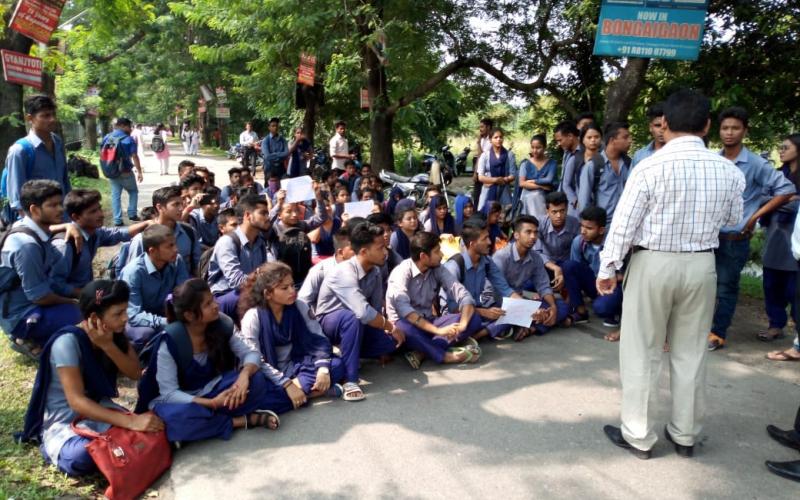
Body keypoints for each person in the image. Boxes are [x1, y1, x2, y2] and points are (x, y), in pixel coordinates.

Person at [598, 89, 745, 460]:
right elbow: (732, 221)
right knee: (691, 352)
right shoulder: (727, 170)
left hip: (653, 263)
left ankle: (639, 435)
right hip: (701, 265)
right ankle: (685, 434)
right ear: (708, 125)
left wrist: (609, 267)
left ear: (666, 125)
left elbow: (623, 226)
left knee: (641, 351)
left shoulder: (648, 166)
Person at [20, 280, 163, 477]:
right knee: (82, 456)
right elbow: (77, 402)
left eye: (125, 311)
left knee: (154, 427)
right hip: (66, 422)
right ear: (95, 317)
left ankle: (114, 450)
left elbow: (135, 373)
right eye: (118, 313)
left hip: (101, 410)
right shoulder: (66, 343)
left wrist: (108, 346)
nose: (125, 318)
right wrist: (129, 422)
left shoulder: (112, 334)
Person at [136, 279, 292, 444]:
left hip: (216, 390)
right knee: (176, 418)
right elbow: (169, 393)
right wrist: (210, 403)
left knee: (257, 379)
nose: (216, 305)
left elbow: (251, 353)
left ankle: (206, 424)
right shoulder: (170, 341)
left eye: (213, 300)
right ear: (189, 315)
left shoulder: (222, 323)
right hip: (185, 400)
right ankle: (240, 420)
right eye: (208, 304)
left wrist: (244, 377)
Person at [708, 106, 795, 351]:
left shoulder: (755, 163)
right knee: (701, 285)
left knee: (726, 286)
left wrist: (753, 217)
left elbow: (786, 190)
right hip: (706, 236)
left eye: (735, 128)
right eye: (725, 128)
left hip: (735, 237)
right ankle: (696, 330)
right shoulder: (712, 160)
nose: (729, 133)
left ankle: (718, 332)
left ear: (744, 131)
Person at [314, 222, 404, 401]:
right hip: (329, 324)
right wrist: (391, 326)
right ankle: (350, 379)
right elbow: (363, 312)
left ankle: (348, 352)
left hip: (358, 324)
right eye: (380, 248)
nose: (385, 252)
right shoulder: (343, 272)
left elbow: (376, 308)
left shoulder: (376, 271)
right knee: (353, 318)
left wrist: (386, 333)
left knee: (392, 342)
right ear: (363, 252)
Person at [238, 262, 347, 407]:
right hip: (271, 372)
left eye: (293, 285)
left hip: (298, 364)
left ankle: (291, 398)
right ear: (268, 294)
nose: (292, 291)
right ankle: (313, 393)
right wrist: (287, 384)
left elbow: (319, 338)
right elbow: (255, 360)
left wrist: (323, 370)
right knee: (255, 387)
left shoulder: (300, 305)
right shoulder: (253, 318)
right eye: (284, 288)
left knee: (337, 365)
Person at [0, 180, 81, 356]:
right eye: (52, 205)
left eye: (60, 203)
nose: (60, 209)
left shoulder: (31, 228)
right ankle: (26, 338)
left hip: (29, 301)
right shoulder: (27, 246)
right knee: (81, 316)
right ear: (34, 210)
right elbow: (40, 297)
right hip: (20, 314)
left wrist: (68, 225)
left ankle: (38, 339)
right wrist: (73, 301)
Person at [386, 231, 483, 368]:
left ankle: (423, 352)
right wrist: (438, 331)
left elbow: (462, 294)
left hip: (429, 321)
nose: (442, 255)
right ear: (423, 256)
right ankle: (447, 356)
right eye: (437, 252)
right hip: (407, 327)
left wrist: (462, 325)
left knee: (474, 318)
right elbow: (405, 312)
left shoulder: (438, 268)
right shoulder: (401, 272)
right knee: (403, 326)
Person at [52, 189, 151, 293]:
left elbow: (118, 233)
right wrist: (86, 295)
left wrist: (147, 223)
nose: (101, 214)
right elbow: (55, 285)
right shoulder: (64, 245)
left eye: (99, 209)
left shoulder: (94, 233)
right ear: (76, 217)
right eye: (93, 212)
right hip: (66, 302)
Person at [491, 215, 568, 340]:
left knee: (560, 306)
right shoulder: (501, 257)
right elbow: (500, 290)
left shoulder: (535, 257)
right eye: (528, 232)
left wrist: (552, 308)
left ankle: (530, 328)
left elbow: (543, 286)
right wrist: (528, 308)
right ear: (516, 235)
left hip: (521, 302)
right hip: (500, 303)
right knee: (539, 312)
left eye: (535, 233)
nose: (533, 237)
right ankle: (530, 324)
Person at [443, 218, 519, 340]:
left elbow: (505, 289)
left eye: (488, 237)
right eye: (484, 239)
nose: (490, 242)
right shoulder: (454, 266)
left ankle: (477, 335)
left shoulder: (487, 261)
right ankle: (481, 332)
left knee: (512, 311)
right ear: (472, 244)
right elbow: (452, 308)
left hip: (477, 310)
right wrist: (484, 312)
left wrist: (523, 305)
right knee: (474, 319)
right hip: (456, 316)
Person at [3, 95, 71, 226]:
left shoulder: (57, 142)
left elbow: (65, 180)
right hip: (39, 223)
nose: (52, 119)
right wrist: (38, 229)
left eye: (53, 114)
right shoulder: (20, 151)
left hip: (63, 216)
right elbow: (17, 199)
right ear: (30, 118)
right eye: (45, 116)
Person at [120, 224, 190, 350]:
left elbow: (184, 294)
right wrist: (167, 321)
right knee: (145, 333)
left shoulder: (176, 261)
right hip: (137, 319)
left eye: (175, 244)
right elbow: (133, 315)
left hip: (164, 313)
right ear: (152, 251)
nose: (176, 249)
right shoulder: (133, 272)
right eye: (170, 246)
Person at [208, 194, 275, 320]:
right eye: (263, 213)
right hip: (225, 297)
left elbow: (266, 272)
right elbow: (236, 281)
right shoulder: (228, 242)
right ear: (248, 216)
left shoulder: (259, 241)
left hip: (249, 292)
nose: (268, 217)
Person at [560, 206, 623, 337]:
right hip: (594, 282)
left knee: (601, 308)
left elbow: (628, 273)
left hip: (613, 285)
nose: (583, 231)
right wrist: (571, 297)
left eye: (589, 228)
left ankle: (617, 310)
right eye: (582, 226)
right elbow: (576, 270)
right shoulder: (579, 242)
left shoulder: (615, 244)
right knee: (568, 265)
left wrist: (614, 278)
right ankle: (581, 311)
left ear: (601, 230)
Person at [766, 133, 800, 361]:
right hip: (775, 233)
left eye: (785, 147)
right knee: (771, 283)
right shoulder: (779, 174)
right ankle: (775, 324)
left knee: (794, 289)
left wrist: (785, 201)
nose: (781, 150)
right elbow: (766, 198)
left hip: (794, 237)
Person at [124, 186, 201, 276]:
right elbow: (133, 273)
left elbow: (196, 267)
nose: (181, 208)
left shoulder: (189, 232)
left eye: (181, 204)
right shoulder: (142, 239)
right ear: (160, 207)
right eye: (176, 205)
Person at [577, 122, 632, 223]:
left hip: (626, 222)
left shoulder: (629, 164)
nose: (630, 141)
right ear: (612, 140)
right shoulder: (593, 166)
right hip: (603, 225)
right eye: (625, 137)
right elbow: (584, 202)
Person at [534, 192, 580, 293]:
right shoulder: (540, 223)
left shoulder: (575, 223)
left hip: (567, 265)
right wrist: (555, 268)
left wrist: (563, 271)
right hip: (547, 264)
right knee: (529, 284)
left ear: (567, 209)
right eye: (554, 212)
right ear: (547, 211)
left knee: (571, 272)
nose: (558, 216)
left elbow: (579, 253)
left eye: (562, 211)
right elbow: (537, 252)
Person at [298, 227, 353, 312]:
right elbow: (303, 302)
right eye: (355, 249)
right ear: (341, 252)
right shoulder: (320, 270)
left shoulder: (368, 269)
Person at [102, 118, 144, 227]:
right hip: (125, 171)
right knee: (133, 191)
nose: (130, 129)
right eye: (129, 127)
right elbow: (134, 156)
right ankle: (132, 214)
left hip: (112, 171)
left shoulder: (107, 137)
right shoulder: (128, 139)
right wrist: (139, 171)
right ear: (123, 126)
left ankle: (117, 220)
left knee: (116, 195)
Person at [518, 134, 557, 222]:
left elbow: (549, 180)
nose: (535, 151)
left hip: (545, 200)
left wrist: (532, 181)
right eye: (532, 147)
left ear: (544, 147)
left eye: (538, 147)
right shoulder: (525, 164)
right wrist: (541, 186)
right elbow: (522, 183)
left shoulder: (551, 163)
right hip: (527, 200)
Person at [477, 128, 517, 213]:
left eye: (500, 137)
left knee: (504, 216)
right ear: (490, 140)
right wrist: (495, 180)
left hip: (504, 190)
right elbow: (480, 177)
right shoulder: (485, 156)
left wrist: (503, 180)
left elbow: (513, 175)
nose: (499, 139)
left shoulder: (509, 155)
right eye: (495, 137)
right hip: (488, 190)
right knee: (485, 215)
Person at [554, 121, 582, 216]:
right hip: (567, 201)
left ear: (570, 136)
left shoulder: (584, 152)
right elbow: (564, 180)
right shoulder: (567, 153)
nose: (559, 144)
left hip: (578, 203)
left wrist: (575, 200)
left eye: (560, 140)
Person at [632, 103, 666, 168]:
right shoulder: (639, 156)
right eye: (657, 125)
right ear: (650, 127)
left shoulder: (678, 153)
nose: (662, 130)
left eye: (665, 126)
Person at [472, 117, 494, 205]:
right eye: (479, 127)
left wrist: (478, 143)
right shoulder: (483, 139)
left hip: (487, 172)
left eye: (482, 127)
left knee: (485, 196)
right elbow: (478, 157)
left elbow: (482, 155)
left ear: (488, 127)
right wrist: (475, 172)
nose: (480, 129)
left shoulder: (491, 140)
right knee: (477, 195)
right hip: (479, 170)